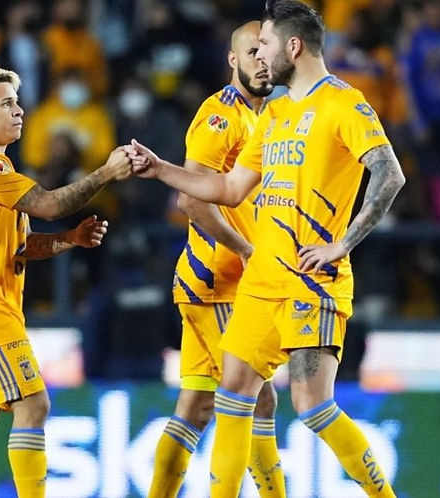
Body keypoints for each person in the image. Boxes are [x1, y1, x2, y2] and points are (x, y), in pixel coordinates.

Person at [129, 2, 405, 497]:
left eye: (267, 45)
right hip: (258, 281)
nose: (262, 55)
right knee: (233, 397)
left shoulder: (344, 103)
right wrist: (161, 169)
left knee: (312, 407)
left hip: (309, 281)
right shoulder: (274, 113)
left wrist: (342, 243)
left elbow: (390, 174)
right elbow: (230, 188)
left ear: (293, 47)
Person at [0, 68, 130, 498]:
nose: (20, 111)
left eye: (17, 102)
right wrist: (105, 173)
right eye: (7, 103)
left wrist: (70, 238)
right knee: (34, 404)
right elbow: (47, 204)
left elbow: (21, 245)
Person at [148, 21, 285, 498]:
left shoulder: (264, 116)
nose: (261, 63)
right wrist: (247, 250)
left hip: (218, 282)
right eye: (251, 53)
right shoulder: (220, 117)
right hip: (219, 281)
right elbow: (190, 199)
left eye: (267, 53)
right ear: (232, 60)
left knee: (196, 407)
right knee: (257, 399)